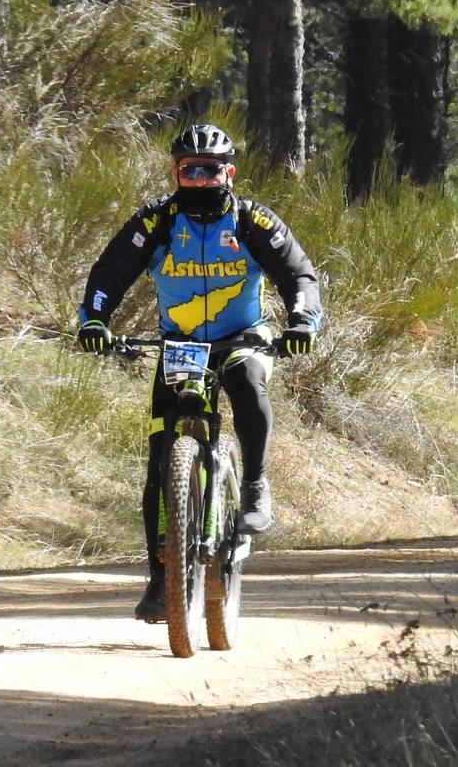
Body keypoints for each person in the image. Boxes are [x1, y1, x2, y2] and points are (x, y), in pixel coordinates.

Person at [75, 124, 323, 621]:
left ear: (229, 172)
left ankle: (254, 482)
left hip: (241, 336)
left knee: (249, 381)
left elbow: (298, 274)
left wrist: (302, 321)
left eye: (210, 170)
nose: (200, 179)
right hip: (180, 344)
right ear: (175, 174)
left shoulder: (253, 220)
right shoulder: (157, 221)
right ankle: (161, 579)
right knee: (161, 457)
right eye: (190, 170)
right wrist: (95, 320)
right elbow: (109, 272)